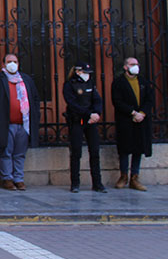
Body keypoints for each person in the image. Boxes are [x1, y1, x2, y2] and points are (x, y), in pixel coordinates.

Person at [0, 53, 41, 191]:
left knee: (20, 153)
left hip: (23, 124)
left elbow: (35, 98)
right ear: (3, 64)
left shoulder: (26, 80)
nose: (12, 64)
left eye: (15, 61)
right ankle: (7, 179)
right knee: (5, 152)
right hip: (5, 124)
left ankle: (19, 179)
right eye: (9, 61)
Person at [63, 62, 107, 193]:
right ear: (78, 72)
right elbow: (72, 104)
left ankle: (97, 183)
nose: (87, 75)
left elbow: (97, 100)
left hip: (90, 122)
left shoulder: (90, 84)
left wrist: (96, 113)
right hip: (77, 121)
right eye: (85, 73)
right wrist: (88, 113)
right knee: (76, 152)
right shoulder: (69, 85)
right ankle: (75, 183)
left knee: (94, 151)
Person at [111, 56, 153, 191]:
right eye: (132, 64)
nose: (135, 66)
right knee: (124, 149)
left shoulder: (143, 82)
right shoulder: (118, 82)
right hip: (126, 120)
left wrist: (142, 113)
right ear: (125, 67)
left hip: (141, 120)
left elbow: (149, 100)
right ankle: (123, 176)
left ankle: (135, 177)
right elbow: (117, 101)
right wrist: (133, 113)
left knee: (138, 149)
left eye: (137, 64)